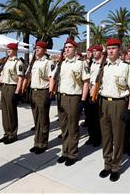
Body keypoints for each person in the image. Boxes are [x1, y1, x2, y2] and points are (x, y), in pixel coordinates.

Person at [94, 38, 130, 182]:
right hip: (104, 102)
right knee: (106, 137)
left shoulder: (126, 67)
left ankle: (116, 167)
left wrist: (129, 109)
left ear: (119, 50)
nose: (111, 51)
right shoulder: (104, 67)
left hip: (119, 104)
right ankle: (107, 164)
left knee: (118, 137)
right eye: (109, 48)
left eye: (113, 48)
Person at [54, 38, 90, 166]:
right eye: (66, 47)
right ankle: (65, 152)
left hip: (74, 97)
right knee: (63, 127)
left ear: (75, 50)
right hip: (61, 97)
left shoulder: (81, 64)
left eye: (70, 47)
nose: (67, 49)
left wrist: (83, 100)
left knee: (73, 127)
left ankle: (72, 154)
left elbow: (86, 82)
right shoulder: (62, 63)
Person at [28, 41, 54, 154]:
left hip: (43, 92)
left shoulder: (48, 62)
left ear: (44, 50)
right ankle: (36, 142)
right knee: (36, 119)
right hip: (33, 91)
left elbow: (52, 77)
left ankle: (42, 143)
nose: (36, 49)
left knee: (43, 119)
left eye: (39, 48)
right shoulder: (35, 62)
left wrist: (51, 92)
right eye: (36, 48)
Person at [0, 43, 24, 144]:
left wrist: (17, 92)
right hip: (4, 86)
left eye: (10, 49)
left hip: (12, 87)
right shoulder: (6, 61)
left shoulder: (18, 62)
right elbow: (3, 75)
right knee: (4, 111)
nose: (8, 51)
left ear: (15, 50)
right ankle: (6, 133)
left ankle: (13, 134)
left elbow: (20, 78)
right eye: (8, 49)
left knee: (11, 111)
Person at [85, 44, 103, 147]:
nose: (94, 52)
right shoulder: (91, 63)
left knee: (97, 118)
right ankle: (91, 136)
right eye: (93, 51)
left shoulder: (104, 65)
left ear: (101, 52)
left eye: (96, 51)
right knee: (89, 117)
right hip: (89, 92)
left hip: (98, 93)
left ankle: (97, 138)